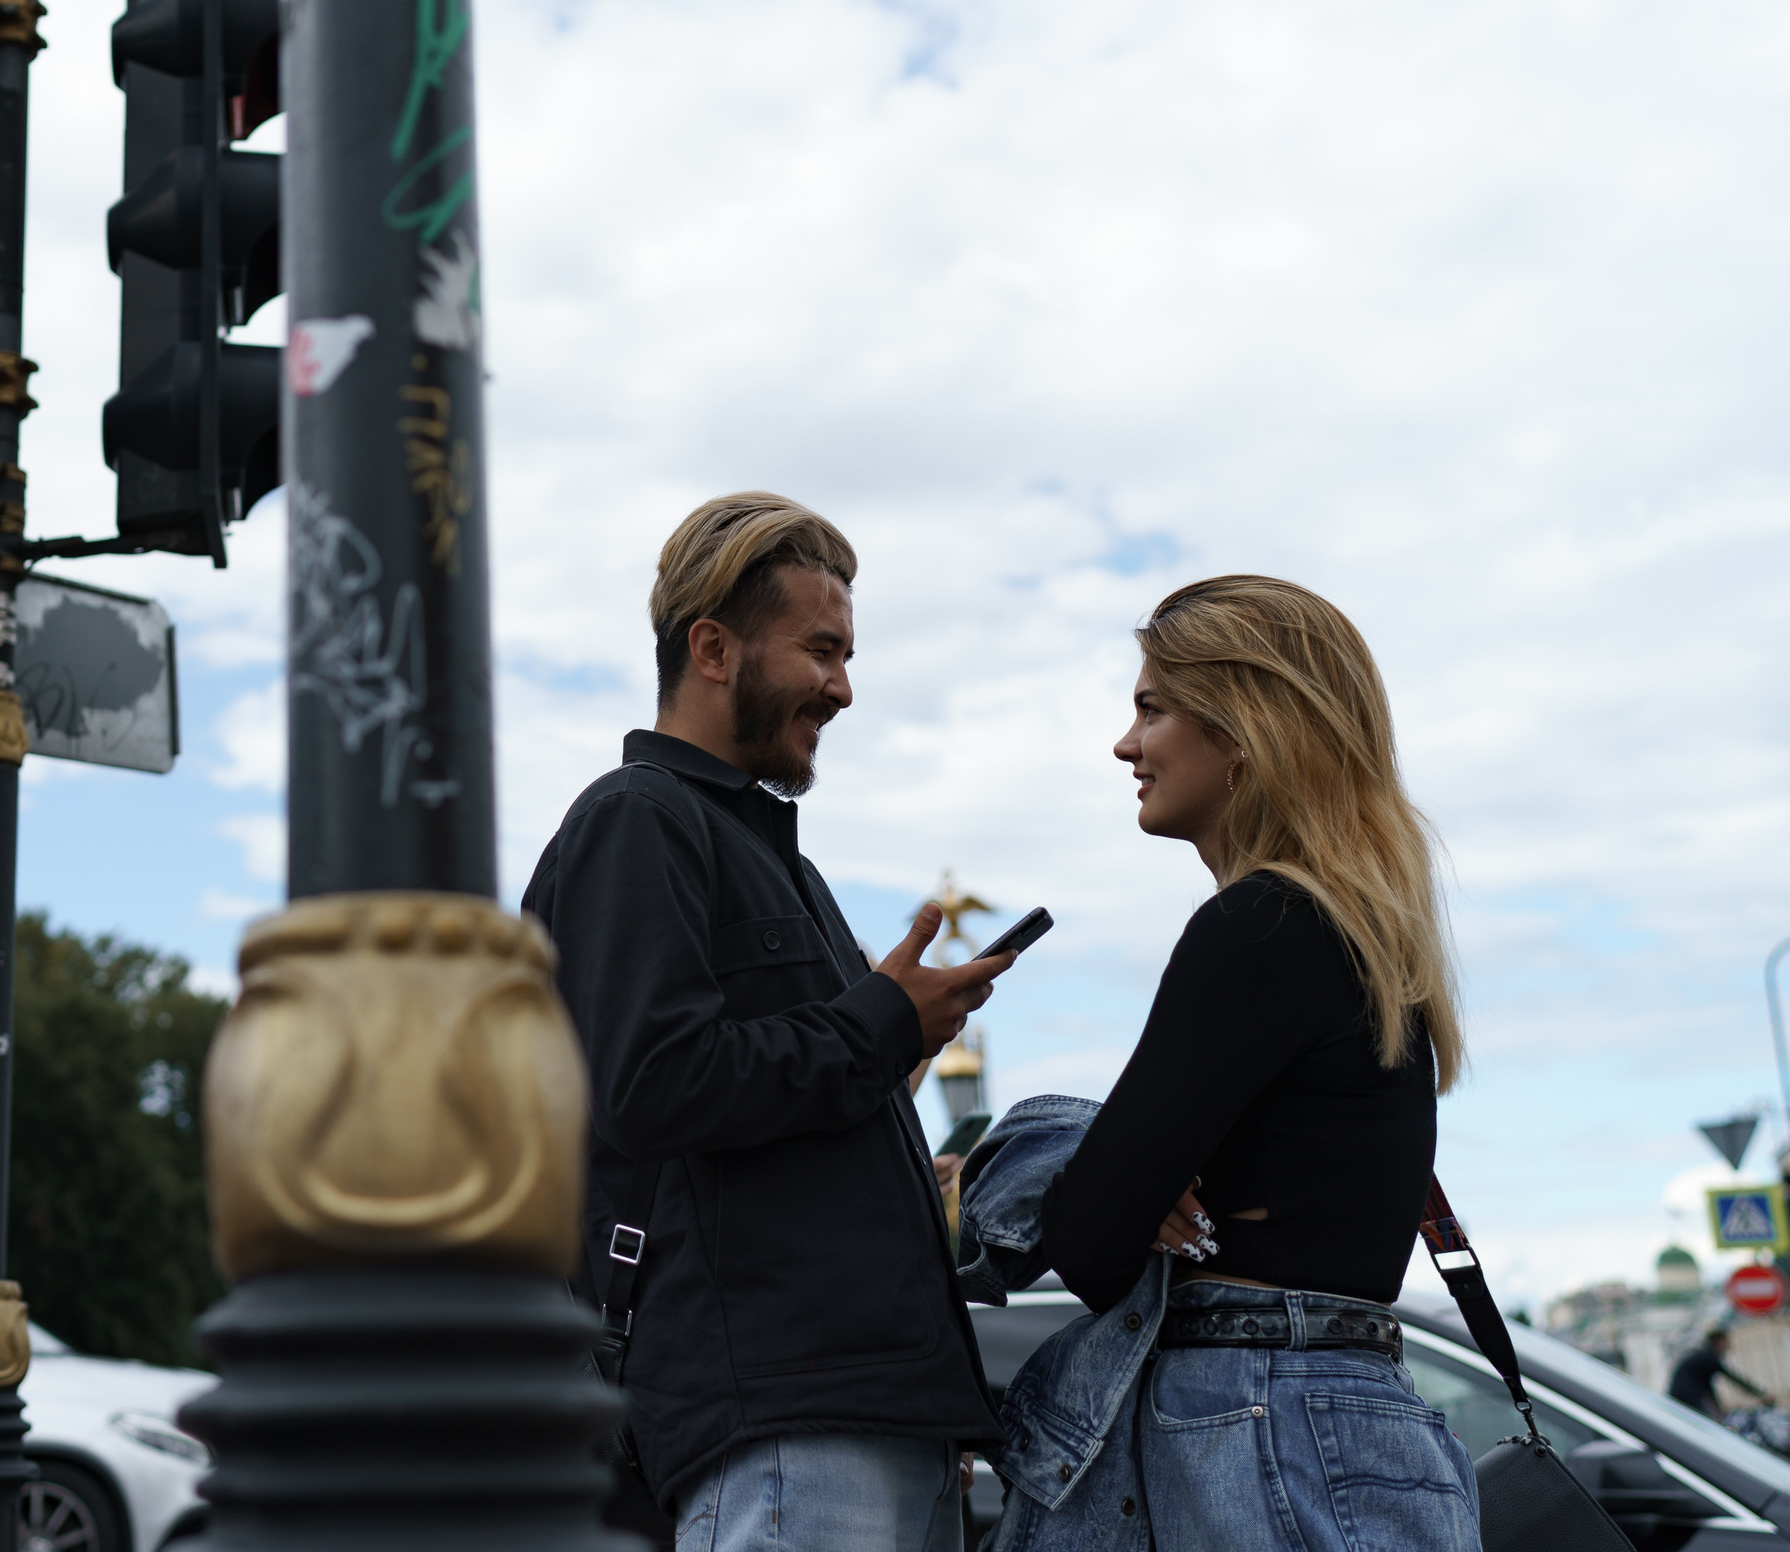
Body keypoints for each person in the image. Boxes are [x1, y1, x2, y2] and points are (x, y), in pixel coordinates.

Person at [523, 492, 1010, 1552]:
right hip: (782, 1426)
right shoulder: (635, 818)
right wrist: (881, 1021)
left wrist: (897, 1036)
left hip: (875, 1422)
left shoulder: (776, 857)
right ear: (713, 649)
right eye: (821, 650)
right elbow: (653, 1082)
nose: (843, 687)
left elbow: (778, 1107)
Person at [1005, 575, 1479, 1548]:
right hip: (1345, 1410)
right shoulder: (1365, 939)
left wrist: (1088, 1168)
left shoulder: (1257, 925)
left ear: (1242, 730)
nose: (1126, 745)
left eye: (1151, 708)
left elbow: (1090, 1243)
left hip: (1264, 1416)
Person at [1671, 1326, 1775, 1418]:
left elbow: (1707, 1387)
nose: (1728, 1345)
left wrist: (1718, 1407)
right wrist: (1761, 1395)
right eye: (1725, 1341)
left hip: (1683, 1395)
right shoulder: (1708, 1358)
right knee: (1708, 1421)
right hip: (1688, 1395)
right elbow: (1734, 1379)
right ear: (1718, 1342)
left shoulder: (1703, 1355)